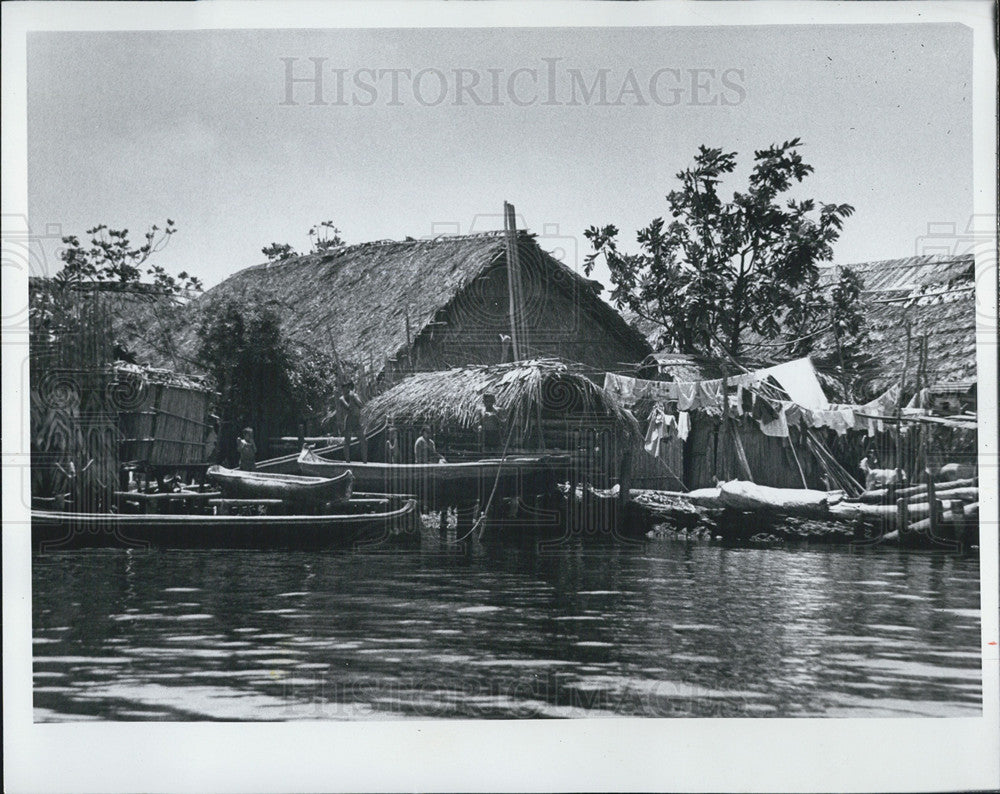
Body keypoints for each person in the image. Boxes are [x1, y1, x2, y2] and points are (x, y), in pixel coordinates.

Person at [338, 381, 367, 463]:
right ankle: (347, 461)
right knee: (347, 441)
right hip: (349, 421)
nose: (345, 389)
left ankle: (365, 461)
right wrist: (351, 399)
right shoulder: (342, 399)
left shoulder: (354, 395)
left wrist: (354, 397)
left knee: (363, 441)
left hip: (356, 420)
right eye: (343, 388)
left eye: (347, 387)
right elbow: (348, 408)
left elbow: (361, 405)